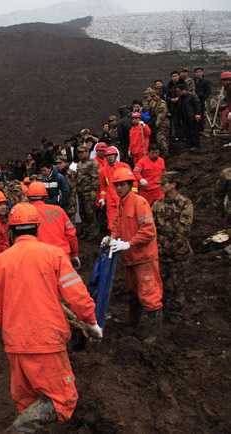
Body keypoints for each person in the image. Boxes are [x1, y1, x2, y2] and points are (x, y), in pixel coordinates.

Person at [0, 202, 102, 433]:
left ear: (11, 231)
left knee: (27, 401)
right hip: (47, 341)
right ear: (37, 228)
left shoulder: (0, 262)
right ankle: (20, 428)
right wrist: (90, 321)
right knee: (64, 399)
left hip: (14, 344)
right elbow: (76, 293)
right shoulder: (54, 254)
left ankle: (24, 424)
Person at [103, 168, 163, 343]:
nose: (119, 188)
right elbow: (117, 225)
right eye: (117, 185)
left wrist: (128, 243)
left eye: (122, 185)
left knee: (149, 293)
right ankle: (133, 321)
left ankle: (154, 332)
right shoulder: (122, 204)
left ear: (130, 185)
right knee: (132, 292)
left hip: (143, 257)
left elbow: (149, 230)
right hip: (130, 258)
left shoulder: (139, 202)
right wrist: (111, 238)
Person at [151, 172, 193, 324]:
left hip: (178, 253)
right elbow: (151, 227)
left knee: (178, 284)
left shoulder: (185, 203)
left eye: (164, 184)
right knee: (158, 284)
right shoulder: (157, 204)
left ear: (173, 184)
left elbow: (184, 228)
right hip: (160, 253)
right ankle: (158, 309)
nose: (161, 187)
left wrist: (167, 245)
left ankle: (176, 311)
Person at [27, 182, 80, 269]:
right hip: (61, 256)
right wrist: (74, 254)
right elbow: (71, 235)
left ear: (28, 197)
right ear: (45, 197)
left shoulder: (25, 214)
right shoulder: (59, 210)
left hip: (38, 260)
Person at [98, 147, 135, 231]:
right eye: (107, 155)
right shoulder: (103, 171)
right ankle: (115, 241)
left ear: (115, 156)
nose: (109, 157)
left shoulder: (124, 167)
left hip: (124, 199)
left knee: (126, 223)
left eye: (111, 155)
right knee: (112, 225)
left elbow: (133, 182)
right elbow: (103, 186)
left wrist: (133, 195)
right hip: (111, 201)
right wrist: (103, 197)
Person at [76, 144, 100, 241]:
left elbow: (95, 177)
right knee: (82, 213)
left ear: (87, 152)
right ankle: (85, 231)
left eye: (82, 152)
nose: (80, 154)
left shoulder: (93, 163)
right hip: (81, 192)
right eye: (79, 153)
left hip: (89, 192)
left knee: (90, 213)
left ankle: (92, 232)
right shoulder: (80, 164)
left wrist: (94, 191)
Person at [175, 84, 202, 151]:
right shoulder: (180, 98)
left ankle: (195, 145)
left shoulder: (192, 96)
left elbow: (197, 105)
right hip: (184, 118)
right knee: (187, 132)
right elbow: (180, 108)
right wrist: (181, 118)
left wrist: (197, 114)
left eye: (179, 91)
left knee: (194, 131)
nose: (178, 93)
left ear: (184, 90)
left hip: (192, 117)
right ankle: (189, 145)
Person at [56, 156, 77, 222]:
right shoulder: (56, 174)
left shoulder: (71, 174)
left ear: (65, 163)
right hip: (59, 199)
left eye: (60, 163)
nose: (58, 165)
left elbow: (73, 189)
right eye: (57, 164)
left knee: (70, 220)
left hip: (70, 201)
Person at [150, 90, 171, 156]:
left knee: (161, 137)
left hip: (163, 122)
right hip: (158, 121)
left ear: (158, 96)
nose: (153, 98)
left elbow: (161, 114)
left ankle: (165, 152)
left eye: (154, 96)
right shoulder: (155, 103)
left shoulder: (162, 103)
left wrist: (157, 123)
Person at [194, 68, 212, 134]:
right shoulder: (193, 81)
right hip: (193, 101)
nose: (198, 73)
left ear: (202, 73)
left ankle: (201, 129)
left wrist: (203, 98)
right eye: (197, 72)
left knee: (200, 114)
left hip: (201, 100)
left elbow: (208, 91)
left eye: (200, 72)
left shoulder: (205, 81)